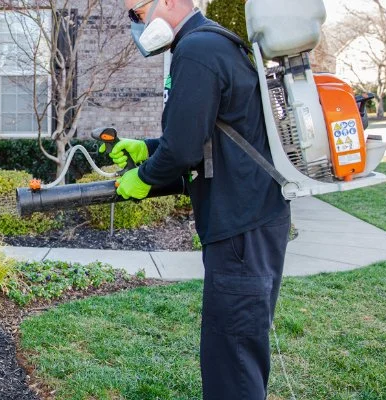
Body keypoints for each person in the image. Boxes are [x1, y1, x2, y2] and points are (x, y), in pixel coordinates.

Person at [110, 0, 292, 399]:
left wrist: (142, 178)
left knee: (232, 357)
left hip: (242, 224)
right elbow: (209, 131)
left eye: (136, 13)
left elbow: (183, 151)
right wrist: (146, 148)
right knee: (236, 347)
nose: (135, 24)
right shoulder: (212, 43)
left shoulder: (196, 50)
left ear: (170, 1)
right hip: (253, 218)